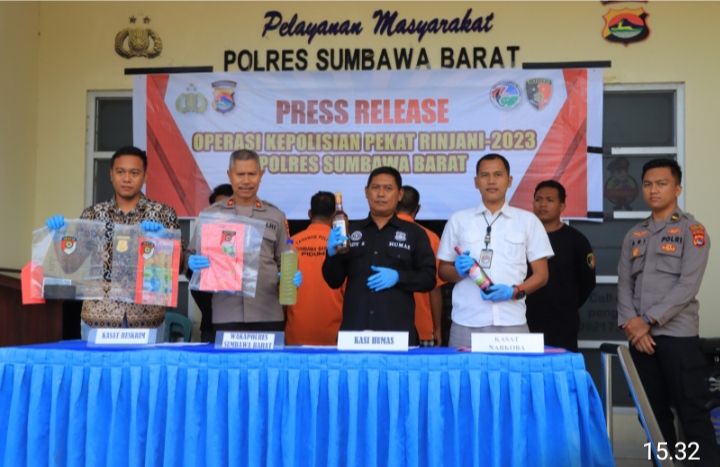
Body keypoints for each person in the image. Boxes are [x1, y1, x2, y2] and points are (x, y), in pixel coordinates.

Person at [618, 158, 718, 465]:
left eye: (661, 183)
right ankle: (665, 463)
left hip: (678, 338)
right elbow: (624, 285)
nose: (653, 190)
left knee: (692, 413)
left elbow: (687, 286)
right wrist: (633, 327)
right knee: (652, 416)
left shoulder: (692, 231)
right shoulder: (634, 234)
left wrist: (646, 321)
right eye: (648, 184)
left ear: (677, 189)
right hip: (641, 341)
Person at [45, 146, 181, 342]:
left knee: (144, 365)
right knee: (97, 365)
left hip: (146, 319)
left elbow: (177, 267)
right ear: (111, 174)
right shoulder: (92, 215)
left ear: (145, 176)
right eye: (120, 172)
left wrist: (165, 243)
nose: (127, 178)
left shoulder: (163, 214)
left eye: (134, 173)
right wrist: (60, 237)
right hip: (98, 318)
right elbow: (70, 265)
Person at [437, 153, 553, 348]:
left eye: (498, 175)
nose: (491, 181)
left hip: (512, 322)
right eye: (485, 175)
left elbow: (542, 275)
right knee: (463, 370)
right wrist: (458, 271)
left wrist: (514, 292)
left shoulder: (528, 221)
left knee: (515, 370)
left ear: (509, 180)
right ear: (476, 182)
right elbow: (443, 271)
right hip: (466, 322)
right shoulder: (458, 220)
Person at [186, 150, 300, 338]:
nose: (246, 181)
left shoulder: (275, 216)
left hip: (268, 314)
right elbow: (189, 256)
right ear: (229, 175)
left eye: (252, 174)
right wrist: (191, 262)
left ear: (261, 175)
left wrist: (290, 276)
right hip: (226, 314)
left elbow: (284, 260)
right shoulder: (212, 215)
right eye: (240, 174)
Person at [322, 167, 436, 346]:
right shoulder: (350, 231)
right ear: (366, 192)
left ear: (400, 194)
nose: (381, 194)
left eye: (388, 188)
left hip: (397, 335)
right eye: (375, 188)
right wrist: (331, 255)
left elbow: (429, 279)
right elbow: (333, 280)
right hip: (355, 334)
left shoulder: (415, 234)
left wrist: (399, 277)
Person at [526, 180, 596, 352]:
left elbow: (587, 282)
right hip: (525, 321)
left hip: (562, 324)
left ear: (562, 206)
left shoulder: (576, 240)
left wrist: (566, 305)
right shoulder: (522, 238)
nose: (543, 204)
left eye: (550, 200)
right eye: (538, 199)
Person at [285, 191, 344, 345]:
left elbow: (282, 291)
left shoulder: (291, 244)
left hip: (296, 334)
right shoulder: (341, 246)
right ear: (335, 216)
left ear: (310, 214)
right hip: (334, 336)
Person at [396, 185, 445, 347]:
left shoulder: (380, 233)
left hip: (386, 326)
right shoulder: (430, 237)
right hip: (422, 325)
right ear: (418, 208)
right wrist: (437, 328)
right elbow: (435, 289)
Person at [188, 183, 233, 342]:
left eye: (228, 206)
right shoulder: (205, 237)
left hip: (244, 326)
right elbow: (192, 279)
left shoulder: (248, 240)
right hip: (211, 325)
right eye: (218, 207)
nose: (223, 212)